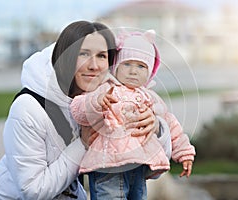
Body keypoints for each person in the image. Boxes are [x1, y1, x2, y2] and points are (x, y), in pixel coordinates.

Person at [0, 21, 172, 200]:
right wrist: (82, 144)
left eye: (102, 56)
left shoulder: (105, 101)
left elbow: (142, 169)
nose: (94, 65)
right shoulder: (29, 109)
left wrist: (155, 128)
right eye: (83, 54)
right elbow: (33, 191)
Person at [70, 29, 196, 200]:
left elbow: (171, 125)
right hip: (108, 165)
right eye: (127, 64)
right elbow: (78, 108)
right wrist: (97, 102)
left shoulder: (151, 98)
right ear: (116, 67)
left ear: (150, 71)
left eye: (141, 66)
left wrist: (185, 153)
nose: (133, 71)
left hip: (138, 166)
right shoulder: (106, 88)